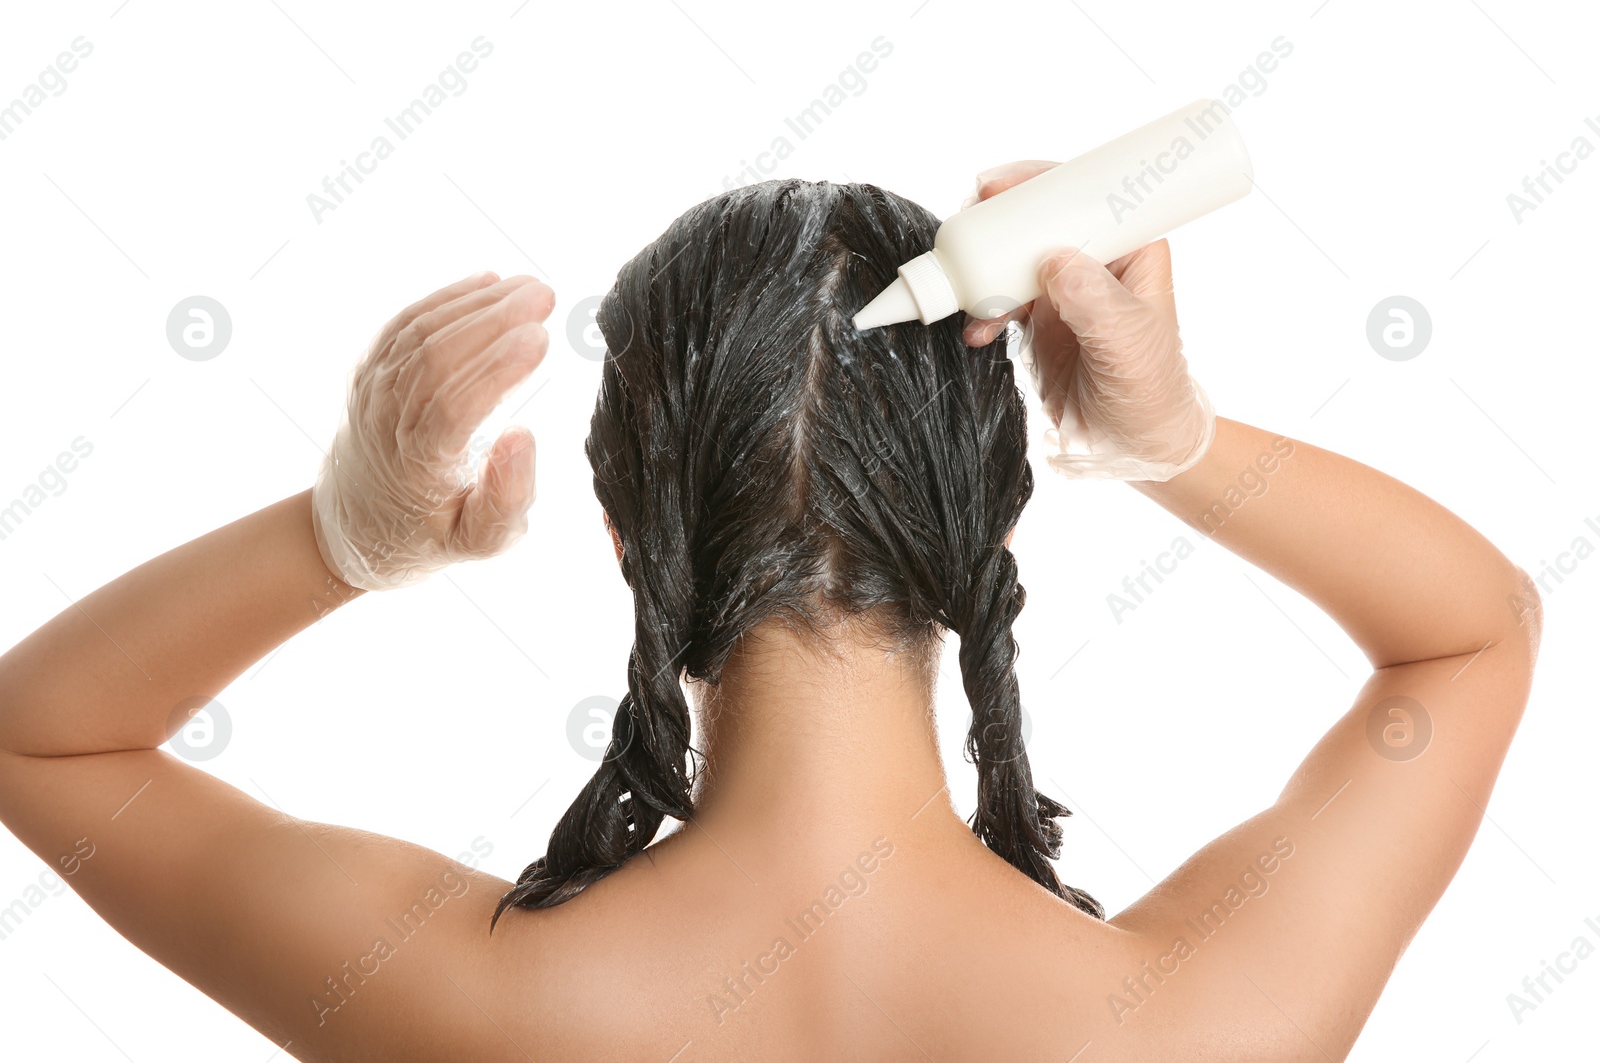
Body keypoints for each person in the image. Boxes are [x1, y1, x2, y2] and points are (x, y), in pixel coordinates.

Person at [0, 168, 1541, 1061]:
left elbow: (42, 744)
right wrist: (1174, 441)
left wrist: (345, 535)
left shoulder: (476, 1005)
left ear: (626, 541)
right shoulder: (1186, 1026)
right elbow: (1474, 633)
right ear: (989, 522)